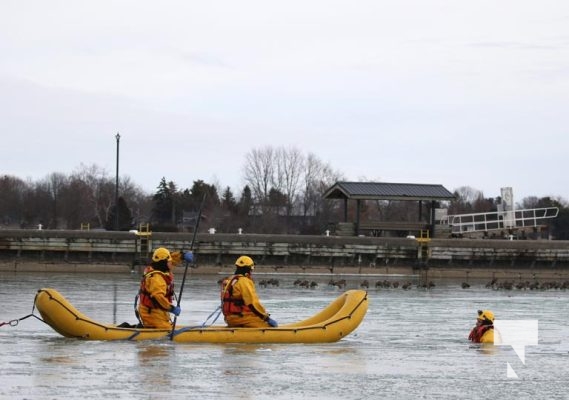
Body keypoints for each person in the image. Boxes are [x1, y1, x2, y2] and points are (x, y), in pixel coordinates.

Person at [136, 247, 193, 329]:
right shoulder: (157, 278)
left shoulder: (160, 267)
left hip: (158, 312)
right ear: (164, 263)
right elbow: (158, 296)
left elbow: (171, 258)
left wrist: (182, 256)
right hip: (151, 314)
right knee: (168, 331)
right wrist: (172, 308)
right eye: (169, 262)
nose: (171, 263)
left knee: (169, 327)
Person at [220, 255, 278, 328]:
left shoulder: (230, 280)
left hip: (230, 319)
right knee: (268, 326)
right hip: (242, 318)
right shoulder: (244, 281)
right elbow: (251, 304)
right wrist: (266, 318)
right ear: (249, 269)